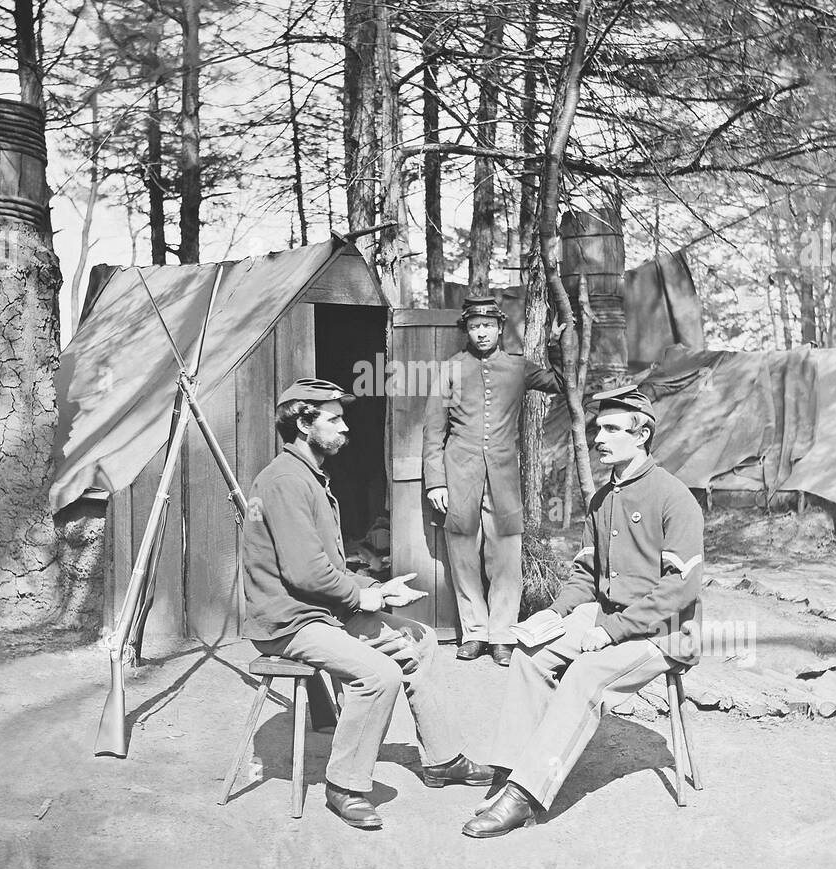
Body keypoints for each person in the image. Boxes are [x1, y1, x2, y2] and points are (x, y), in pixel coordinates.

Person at [243, 378, 491, 830]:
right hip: (289, 623)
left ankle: (442, 759)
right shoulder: (284, 481)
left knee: (420, 638)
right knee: (379, 675)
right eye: (334, 420)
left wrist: (376, 586)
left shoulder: (309, 477)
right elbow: (305, 574)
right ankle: (345, 786)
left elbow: (326, 565)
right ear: (303, 423)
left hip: (319, 611)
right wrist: (364, 596)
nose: (345, 429)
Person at [462, 384, 704, 838]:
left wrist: (611, 630)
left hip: (664, 633)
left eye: (612, 429)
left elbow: (679, 591)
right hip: (609, 619)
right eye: (597, 428)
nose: (598, 438)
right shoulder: (601, 499)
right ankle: (510, 769)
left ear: (642, 434)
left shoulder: (674, 497)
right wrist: (556, 612)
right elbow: (587, 575)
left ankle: (526, 795)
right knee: (530, 654)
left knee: (584, 675)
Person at [422, 296, 563, 666]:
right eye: (474, 326)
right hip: (459, 475)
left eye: (487, 326)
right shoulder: (451, 368)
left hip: (502, 478)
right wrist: (435, 481)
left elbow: (561, 383)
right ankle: (474, 633)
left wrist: (557, 345)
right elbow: (433, 429)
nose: (481, 332)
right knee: (464, 556)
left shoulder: (518, 368)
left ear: (500, 328)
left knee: (505, 558)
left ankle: (502, 635)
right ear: (466, 330)